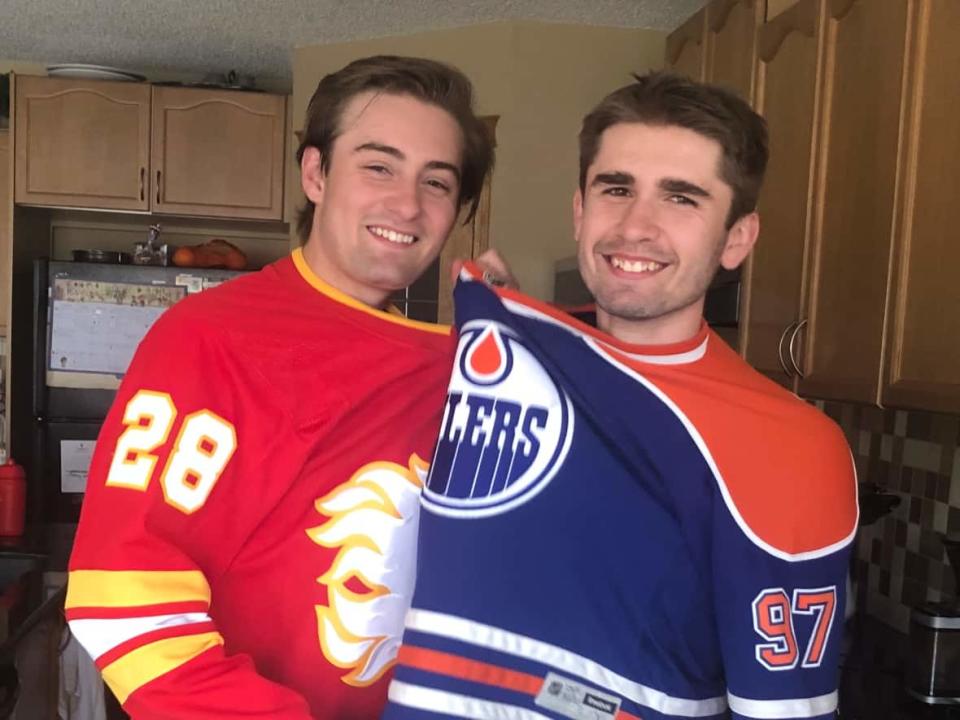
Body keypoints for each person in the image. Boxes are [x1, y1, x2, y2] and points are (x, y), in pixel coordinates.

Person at [384, 72, 858, 720]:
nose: (636, 226)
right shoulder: (500, 355)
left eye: (682, 199)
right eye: (616, 189)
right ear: (580, 209)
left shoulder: (793, 447)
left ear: (737, 239)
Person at [65, 55, 495, 719]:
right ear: (316, 173)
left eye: (436, 183)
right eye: (378, 165)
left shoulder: (462, 365)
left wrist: (516, 346)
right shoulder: (211, 339)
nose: (407, 203)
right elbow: (123, 603)